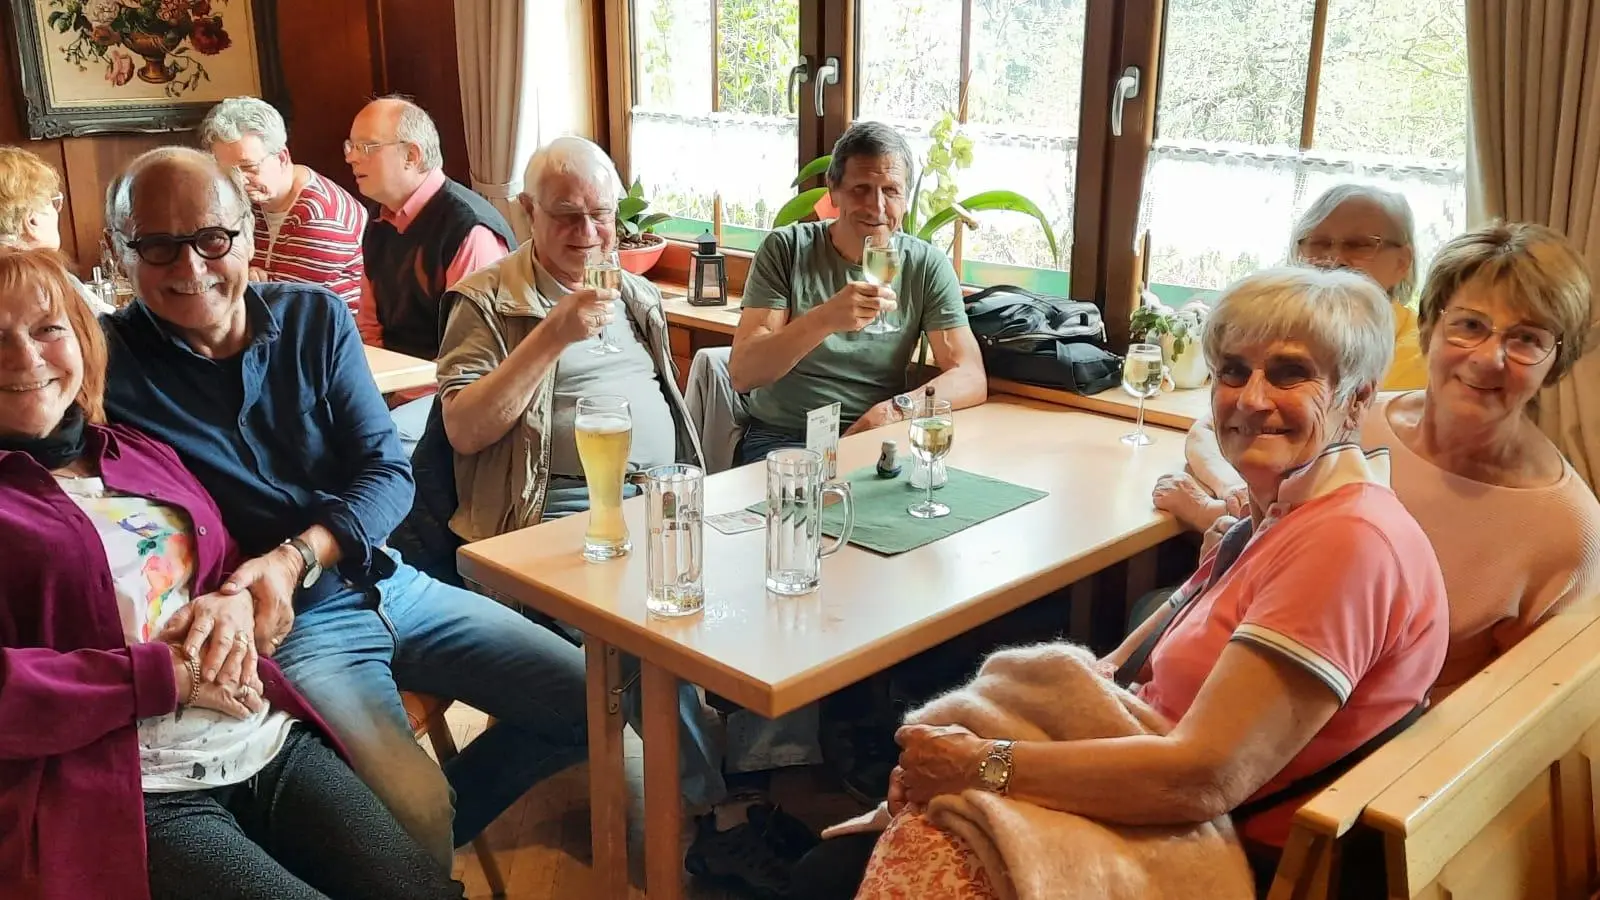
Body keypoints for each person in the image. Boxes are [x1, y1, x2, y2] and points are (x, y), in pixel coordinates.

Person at [819, 267, 1450, 897]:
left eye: (1289, 373)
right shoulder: (1278, 517)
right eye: (1233, 372)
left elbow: (1202, 779)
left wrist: (980, 764)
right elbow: (1117, 668)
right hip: (1152, 795)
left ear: (1360, 399)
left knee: (827, 873)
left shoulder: (1348, 543)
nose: (1252, 399)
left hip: (1212, 846)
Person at [98, 147, 588, 870]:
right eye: (156, 246)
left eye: (211, 238)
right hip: (288, 629)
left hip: (390, 579)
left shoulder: (314, 318)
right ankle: (399, 845)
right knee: (414, 815)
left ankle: (397, 840)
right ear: (120, 254)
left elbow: (387, 471)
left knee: (600, 701)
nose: (190, 266)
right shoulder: (105, 366)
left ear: (248, 234)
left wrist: (296, 554)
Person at [0, 247, 464, 900]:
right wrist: (168, 675)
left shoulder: (134, 450)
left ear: (82, 338)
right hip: (128, 787)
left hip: (258, 733)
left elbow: (217, 564)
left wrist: (236, 603)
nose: (25, 359)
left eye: (47, 328)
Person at [1159, 223, 1600, 693]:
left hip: (1379, 748)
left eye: (1526, 339)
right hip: (1238, 666)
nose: (1489, 357)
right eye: (1470, 325)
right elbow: (1234, 457)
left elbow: (1506, 722)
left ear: (1558, 361)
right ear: (1429, 327)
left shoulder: (1569, 533)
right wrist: (1232, 516)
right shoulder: (1352, 417)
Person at [728, 121, 986, 464]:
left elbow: (970, 376)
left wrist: (895, 411)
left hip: (877, 436)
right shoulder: (786, 249)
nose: (876, 206)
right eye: (861, 189)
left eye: (891, 191)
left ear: (905, 200)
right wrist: (825, 318)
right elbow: (743, 373)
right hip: (784, 438)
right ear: (833, 191)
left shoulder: (926, 265)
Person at [349, 97, 515, 456]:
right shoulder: (380, 222)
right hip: (398, 393)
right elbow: (370, 328)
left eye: (366, 146)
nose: (351, 157)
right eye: (351, 146)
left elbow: (480, 357)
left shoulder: (469, 230)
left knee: (375, 449)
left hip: (455, 399)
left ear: (412, 155)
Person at [199, 97, 368, 313]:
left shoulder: (322, 218)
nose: (239, 180)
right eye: (228, 171)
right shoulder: (252, 198)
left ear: (281, 157)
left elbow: (276, 311)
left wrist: (244, 276)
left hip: (323, 336)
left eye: (248, 167)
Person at [0, 145, 113, 314]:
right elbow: (111, 331)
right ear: (32, 220)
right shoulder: (45, 280)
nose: (57, 211)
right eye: (53, 202)